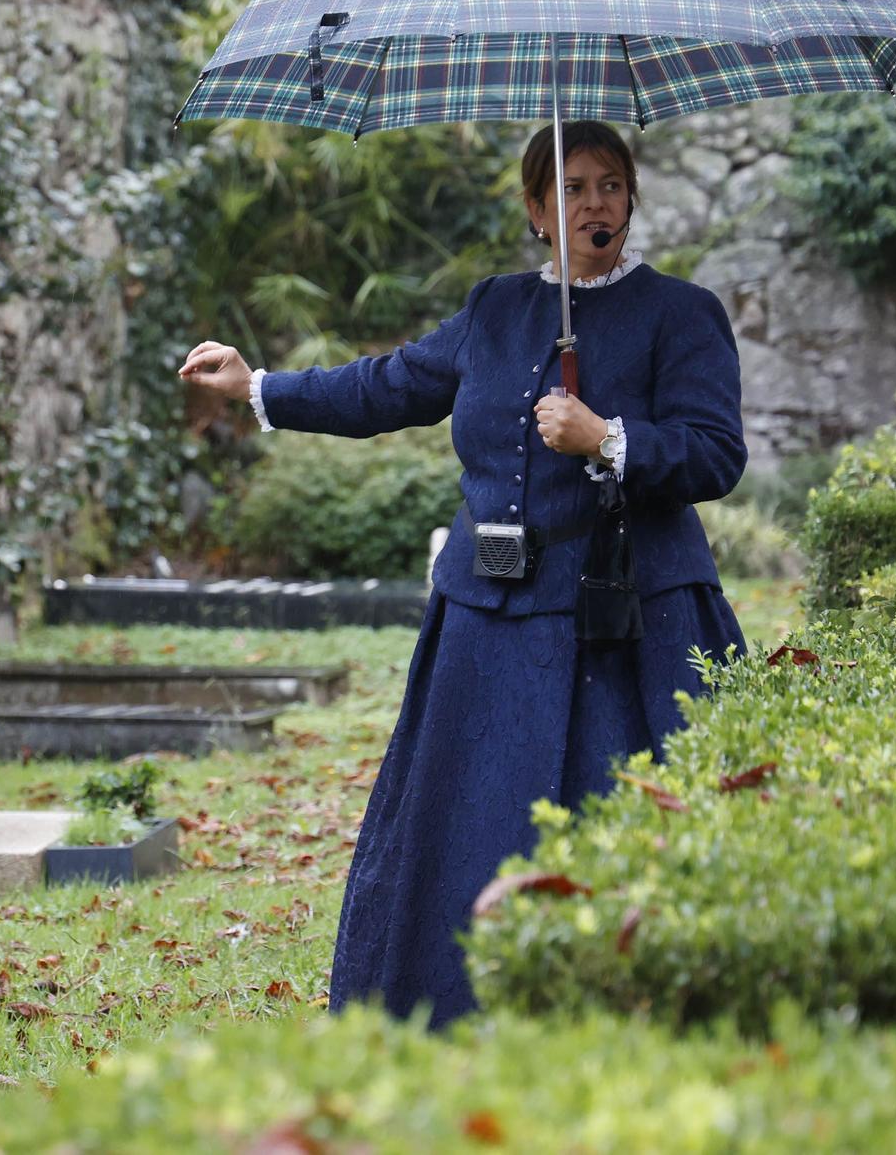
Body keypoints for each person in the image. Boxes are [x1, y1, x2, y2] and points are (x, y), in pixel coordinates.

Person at [178, 121, 747, 1027]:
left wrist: (607, 438)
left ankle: (618, 1014)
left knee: (614, 824)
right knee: (471, 826)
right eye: (572, 187)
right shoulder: (493, 310)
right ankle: (454, 1014)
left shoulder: (682, 314)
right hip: (489, 620)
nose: (594, 203)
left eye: (609, 185)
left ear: (631, 200)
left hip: (629, 622)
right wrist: (258, 388)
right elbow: (386, 386)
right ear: (536, 210)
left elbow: (718, 455)